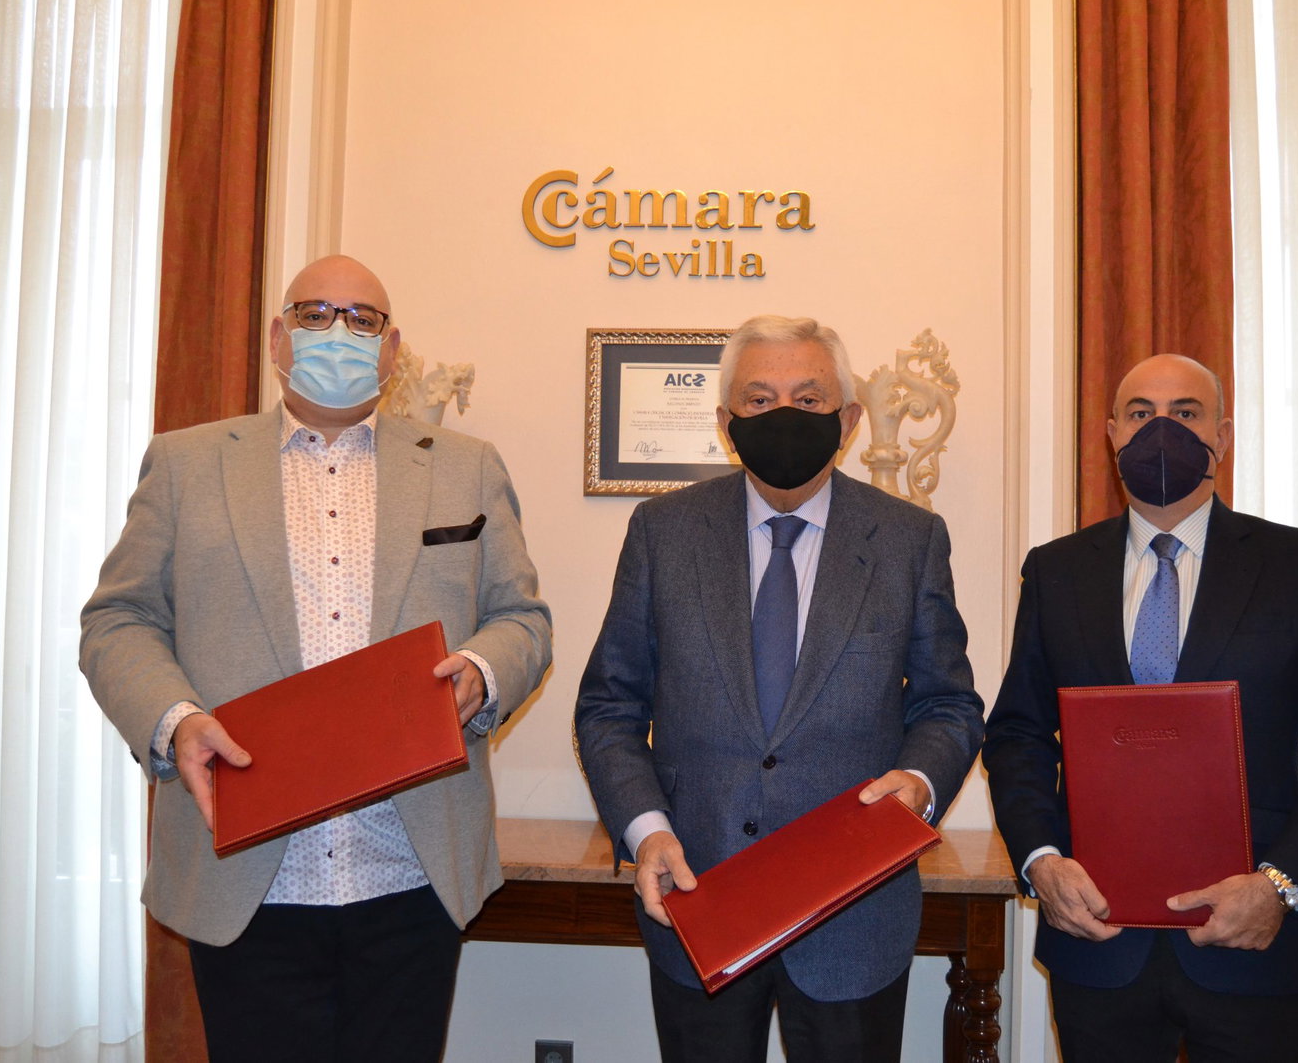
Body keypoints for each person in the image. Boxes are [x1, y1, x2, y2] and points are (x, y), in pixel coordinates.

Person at [80, 255, 552, 1062]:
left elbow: (524, 619)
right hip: (244, 879)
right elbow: (117, 619)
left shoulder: (466, 465)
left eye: (362, 318)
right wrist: (175, 720)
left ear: (392, 349)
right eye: (315, 313)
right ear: (278, 337)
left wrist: (483, 666)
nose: (339, 331)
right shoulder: (186, 464)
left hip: (410, 876)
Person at [574, 314, 985, 1063]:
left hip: (854, 917)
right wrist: (646, 831)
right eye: (759, 400)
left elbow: (948, 704)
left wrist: (920, 784)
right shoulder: (663, 531)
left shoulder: (909, 538)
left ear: (848, 420)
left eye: (809, 397)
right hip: (697, 900)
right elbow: (608, 706)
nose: (784, 415)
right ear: (725, 423)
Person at [982, 353, 1298, 1062]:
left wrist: (1280, 885)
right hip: (1098, 942)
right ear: (1111, 435)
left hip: (1254, 942)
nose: (1161, 430)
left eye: (1186, 413)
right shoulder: (1056, 570)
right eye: (1140, 414)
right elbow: (1018, 735)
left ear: (1222, 435)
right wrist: (1041, 861)